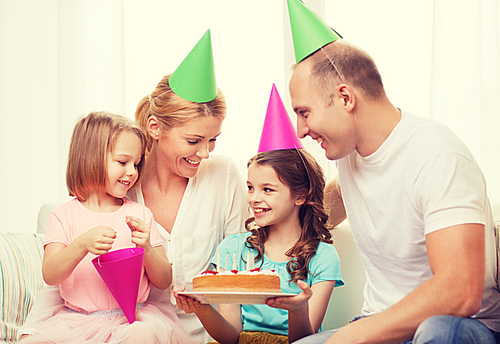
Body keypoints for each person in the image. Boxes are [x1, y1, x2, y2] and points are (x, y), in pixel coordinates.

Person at [285, 0, 500, 343]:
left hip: (459, 329)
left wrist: (351, 336)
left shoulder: (437, 155)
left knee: (436, 331)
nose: (300, 130)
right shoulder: (351, 154)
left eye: (304, 112)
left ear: (344, 98)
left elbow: (461, 291)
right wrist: (273, 228)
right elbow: (345, 195)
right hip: (382, 327)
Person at [19, 30, 248, 343]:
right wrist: (31, 333)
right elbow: (66, 275)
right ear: (155, 128)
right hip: (111, 328)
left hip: (182, 331)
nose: (205, 153)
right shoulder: (116, 184)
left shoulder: (223, 175)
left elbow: (232, 268)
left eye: (212, 140)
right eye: (193, 141)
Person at [175, 84, 344, 344]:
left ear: (301, 195)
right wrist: (202, 309)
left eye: (268, 189)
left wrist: (299, 310)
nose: (254, 198)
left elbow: (306, 340)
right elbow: (231, 336)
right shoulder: (232, 250)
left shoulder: (321, 256)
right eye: (251, 187)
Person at [19, 111, 197, 344]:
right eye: (123, 162)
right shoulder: (63, 216)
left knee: (142, 337)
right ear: (90, 158)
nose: (132, 171)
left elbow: (163, 280)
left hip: (133, 320)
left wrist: (148, 249)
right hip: (77, 321)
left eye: (136, 163)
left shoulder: (139, 214)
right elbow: (51, 275)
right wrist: (81, 244)